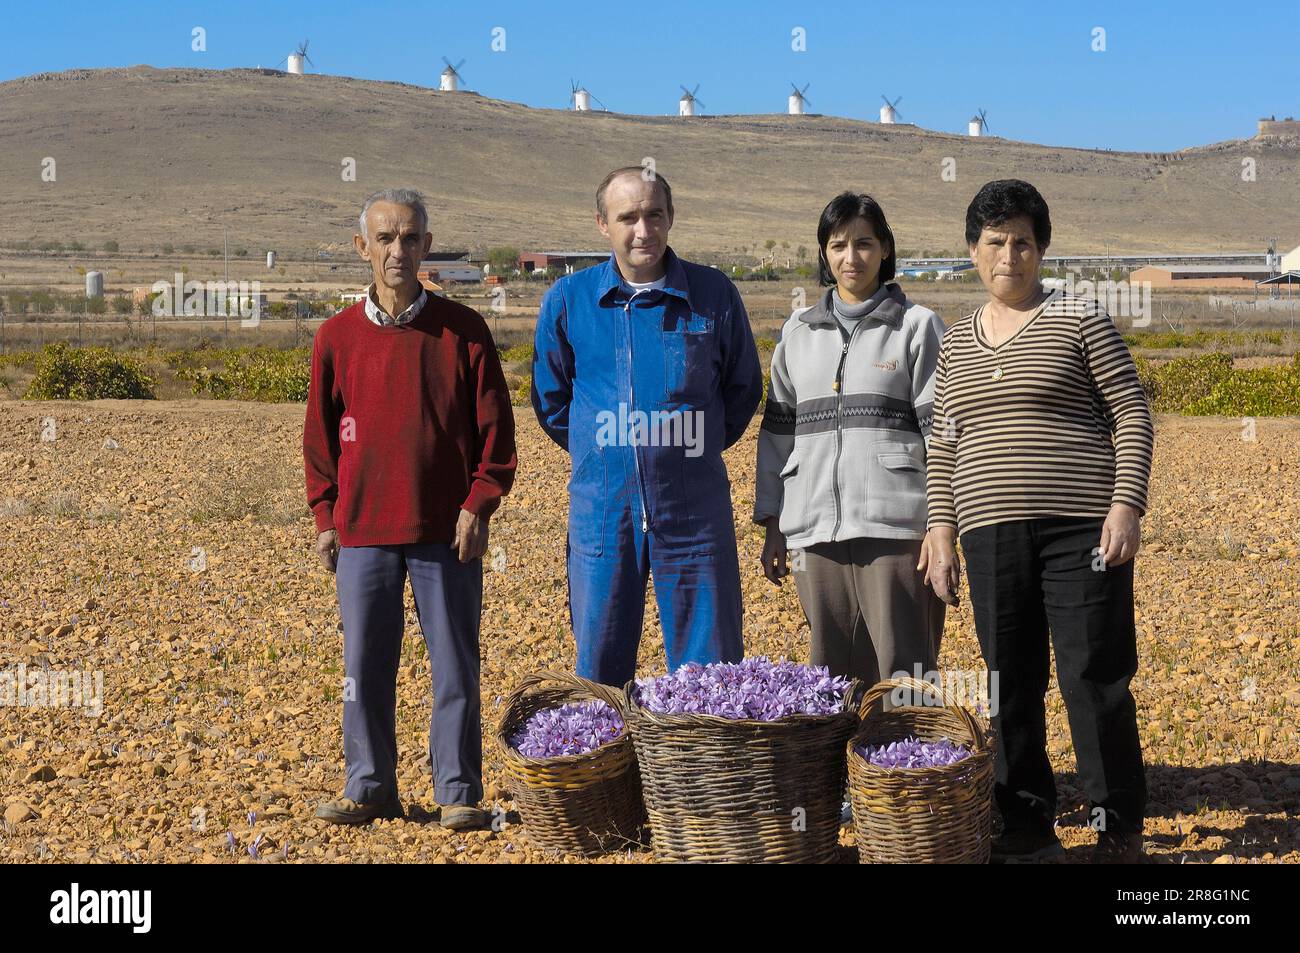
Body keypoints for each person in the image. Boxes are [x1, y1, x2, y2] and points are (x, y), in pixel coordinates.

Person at [923, 179, 1154, 863]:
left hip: (1082, 527)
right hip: (990, 531)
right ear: (973, 250)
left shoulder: (1080, 319)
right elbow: (942, 443)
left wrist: (1126, 503)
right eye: (995, 241)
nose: (1010, 254)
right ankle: (1025, 830)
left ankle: (1119, 829)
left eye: (1023, 241)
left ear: (1042, 248)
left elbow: (1132, 412)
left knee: (1096, 676)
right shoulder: (958, 340)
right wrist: (939, 529)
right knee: (1010, 682)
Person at [304, 188, 517, 830]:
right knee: (364, 665)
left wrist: (479, 505)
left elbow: (497, 436)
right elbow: (319, 438)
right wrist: (324, 517)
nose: (399, 250)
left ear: (427, 245)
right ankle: (369, 786)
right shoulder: (336, 337)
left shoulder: (463, 331)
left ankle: (457, 791)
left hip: (445, 533)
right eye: (386, 238)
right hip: (363, 531)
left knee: (455, 664)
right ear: (362, 248)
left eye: (411, 238)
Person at [531, 166, 763, 687]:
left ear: (671, 218)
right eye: (627, 217)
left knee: (710, 674)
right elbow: (552, 400)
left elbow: (742, 389)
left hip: (695, 511)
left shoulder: (713, 294)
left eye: (654, 215)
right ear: (602, 224)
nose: (643, 230)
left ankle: (702, 767)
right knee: (600, 673)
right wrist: (602, 450)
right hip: (602, 511)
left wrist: (685, 452)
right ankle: (609, 767)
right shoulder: (570, 301)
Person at [755, 192, 946, 686]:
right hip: (813, 529)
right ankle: (841, 763)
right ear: (824, 254)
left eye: (864, 243)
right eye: (838, 245)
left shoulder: (917, 327)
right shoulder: (798, 331)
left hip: (898, 528)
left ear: (885, 249)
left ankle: (910, 757)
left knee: (907, 671)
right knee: (830, 672)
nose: (851, 257)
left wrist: (943, 525)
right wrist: (774, 522)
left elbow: (942, 435)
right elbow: (778, 433)